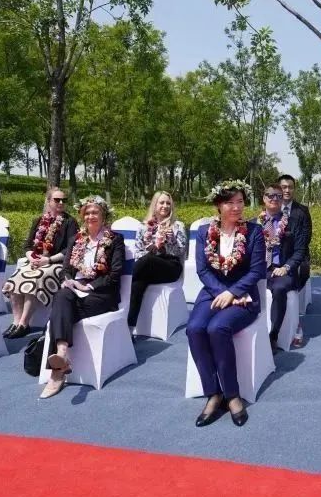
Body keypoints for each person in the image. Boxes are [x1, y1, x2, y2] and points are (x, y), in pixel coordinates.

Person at [187, 180, 266, 428]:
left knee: (217, 328)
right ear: (218, 205)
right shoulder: (204, 232)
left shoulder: (254, 232)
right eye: (230, 202)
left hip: (243, 296)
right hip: (212, 292)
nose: (236, 207)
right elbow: (202, 269)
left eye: (240, 202)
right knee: (194, 328)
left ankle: (232, 395)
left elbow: (257, 271)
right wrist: (221, 292)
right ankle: (213, 393)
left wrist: (232, 292)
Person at [39, 195, 126, 399]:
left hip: (101, 294)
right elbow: (65, 270)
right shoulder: (76, 239)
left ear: (103, 215)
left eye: (95, 212)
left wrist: (88, 286)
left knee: (60, 309)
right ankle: (61, 355)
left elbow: (114, 275)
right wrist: (69, 281)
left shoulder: (115, 240)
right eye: (87, 213)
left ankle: (57, 373)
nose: (90, 216)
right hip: (74, 291)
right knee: (62, 295)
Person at [1, 187, 78, 339]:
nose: (61, 203)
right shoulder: (39, 221)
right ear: (49, 201)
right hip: (36, 261)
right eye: (57, 200)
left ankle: (24, 324)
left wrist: (47, 260)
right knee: (16, 278)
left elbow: (70, 249)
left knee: (36, 278)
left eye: (64, 200)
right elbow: (28, 246)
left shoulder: (70, 222)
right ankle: (16, 322)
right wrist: (32, 258)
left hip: (57, 263)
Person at [254, 183, 308, 352]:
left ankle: (273, 335)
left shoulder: (293, 223)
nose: (275, 199)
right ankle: (250, 333)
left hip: (283, 270)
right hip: (260, 269)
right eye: (270, 195)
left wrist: (286, 267)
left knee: (279, 288)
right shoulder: (254, 224)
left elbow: (300, 251)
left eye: (278, 196)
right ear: (264, 198)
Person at [127, 191, 186, 330]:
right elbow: (138, 252)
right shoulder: (144, 226)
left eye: (168, 203)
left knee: (148, 261)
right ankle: (129, 329)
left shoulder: (177, 225)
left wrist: (171, 240)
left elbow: (181, 252)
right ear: (155, 205)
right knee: (137, 284)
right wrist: (151, 248)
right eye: (162, 202)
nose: (165, 206)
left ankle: (121, 279)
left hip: (171, 266)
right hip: (148, 267)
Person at [277, 174, 312, 291]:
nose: (287, 190)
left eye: (290, 187)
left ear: (294, 189)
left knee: (303, 269)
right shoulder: (272, 209)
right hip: (276, 253)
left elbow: (307, 236)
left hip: (297, 252)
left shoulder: (302, 211)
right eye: (284, 187)